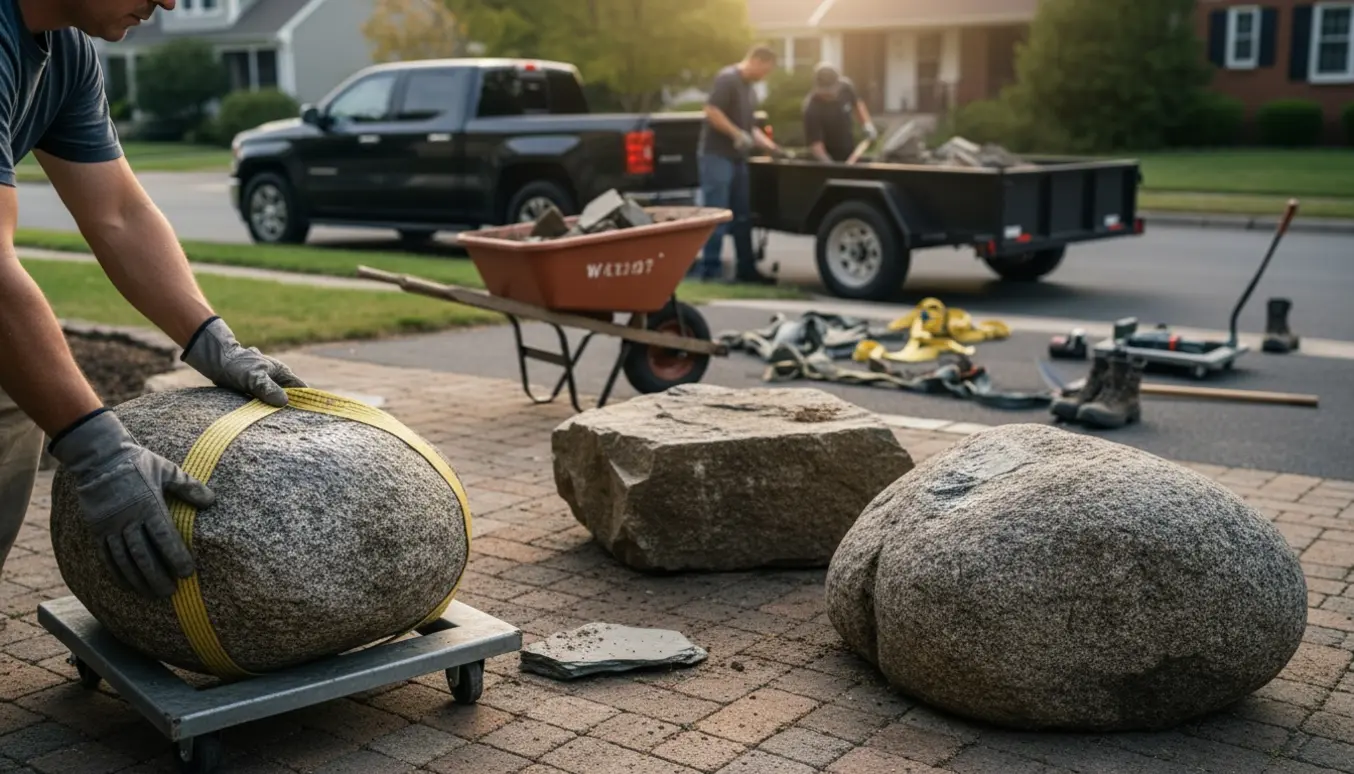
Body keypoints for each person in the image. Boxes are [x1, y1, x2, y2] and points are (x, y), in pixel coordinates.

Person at [0, 0, 307, 607]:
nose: (169, 2)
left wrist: (213, 341)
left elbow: (119, 214)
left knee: (14, 403)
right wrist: (99, 452)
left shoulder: (67, 53)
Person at [691, 45, 781, 284]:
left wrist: (772, 147)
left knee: (742, 216)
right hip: (716, 156)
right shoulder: (727, 79)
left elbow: (750, 127)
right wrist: (736, 134)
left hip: (737, 159)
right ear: (756, 60)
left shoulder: (749, 90)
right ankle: (710, 271)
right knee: (717, 214)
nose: (764, 76)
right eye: (765, 70)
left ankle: (746, 269)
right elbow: (711, 111)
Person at [802, 63, 878, 163]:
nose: (827, 95)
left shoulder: (846, 88)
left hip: (848, 151)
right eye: (824, 92)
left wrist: (867, 125)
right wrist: (830, 165)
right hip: (825, 158)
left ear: (838, 84)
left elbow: (857, 105)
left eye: (830, 91)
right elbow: (816, 146)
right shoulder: (811, 108)